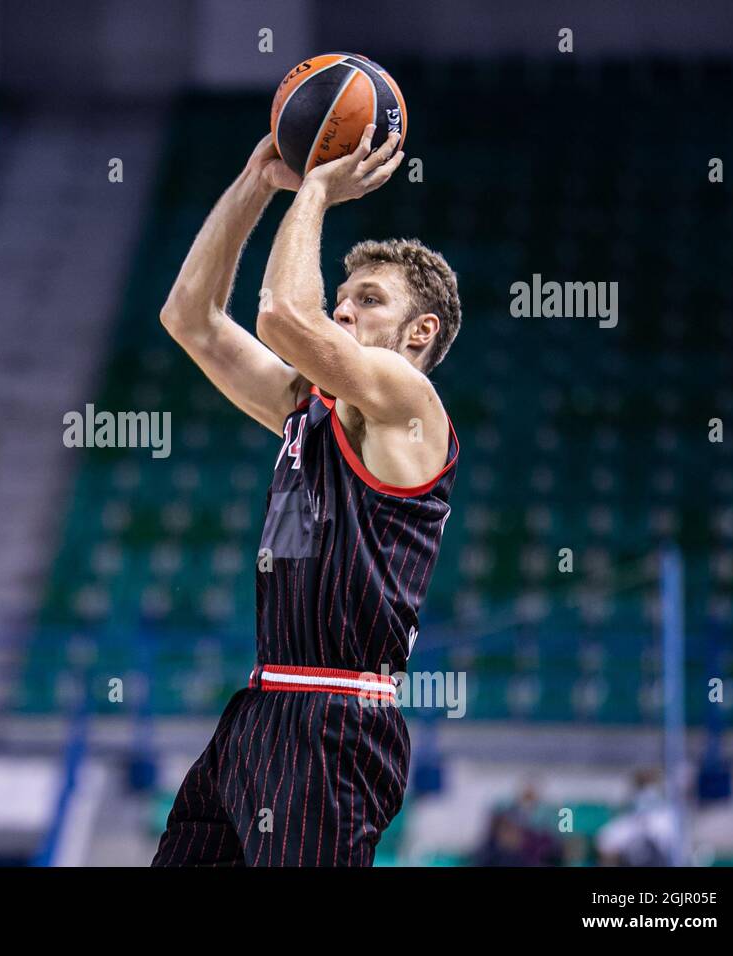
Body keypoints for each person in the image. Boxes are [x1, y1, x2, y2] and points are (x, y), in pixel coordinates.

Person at [154, 125, 461, 865]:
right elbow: (189, 319)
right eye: (344, 297)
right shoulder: (308, 411)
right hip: (262, 707)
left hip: (337, 720)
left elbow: (285, 318)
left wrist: (317, 189)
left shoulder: (408, 403)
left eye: (369, 300)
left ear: (418, 333)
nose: (345, 311)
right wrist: (256, 184)